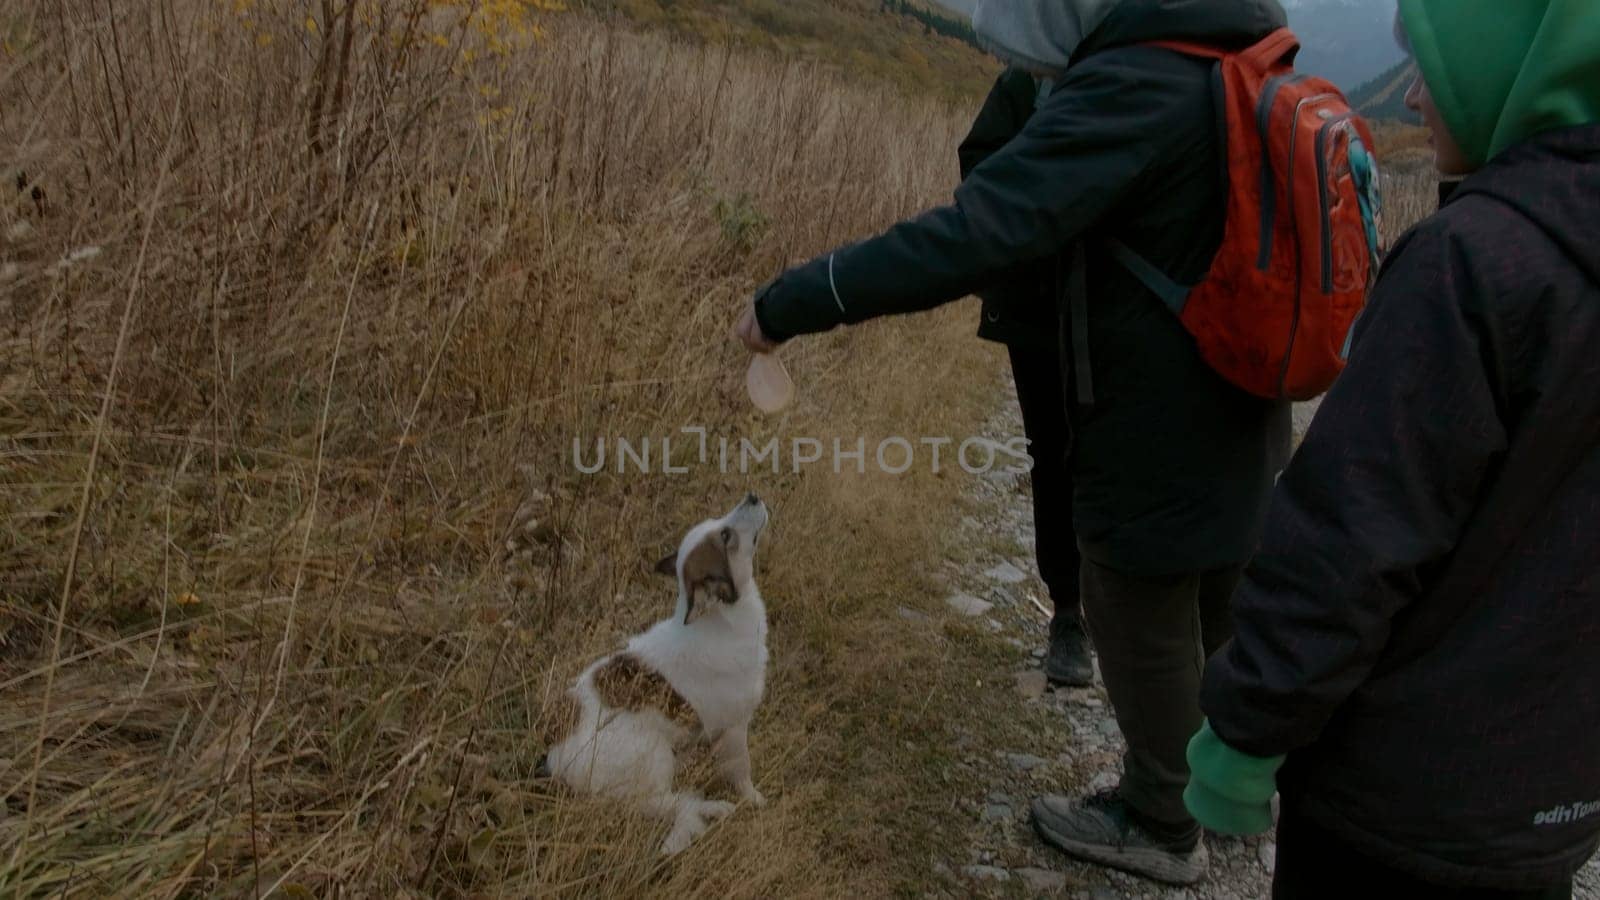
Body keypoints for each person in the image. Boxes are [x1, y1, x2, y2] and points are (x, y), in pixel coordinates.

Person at [734, 0, 1292, 884]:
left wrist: (794, 300)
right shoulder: (1239, 59)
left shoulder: (1132, 86)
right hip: (1248, 383)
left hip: (1149, 402)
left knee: (1134, 593)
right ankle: (1236, 796)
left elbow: (973, 234)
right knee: (1223, 584)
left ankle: (1158, 818)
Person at [1184, 2, 1600, 898]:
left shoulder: (1474, 263)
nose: (1414, 99)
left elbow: (1350, 539)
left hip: (1391, 805)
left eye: (1436, 70)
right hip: (1550, 805)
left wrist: (1243, 737)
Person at [957, 67, 1092, 688]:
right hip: (1038, 311)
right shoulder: (1025, 84)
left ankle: (1129, 613)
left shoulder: (1134, 71)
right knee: (1053, 453)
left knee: (1116, 453)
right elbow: (978, 168)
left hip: (1124, 311)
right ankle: (1069, 612)